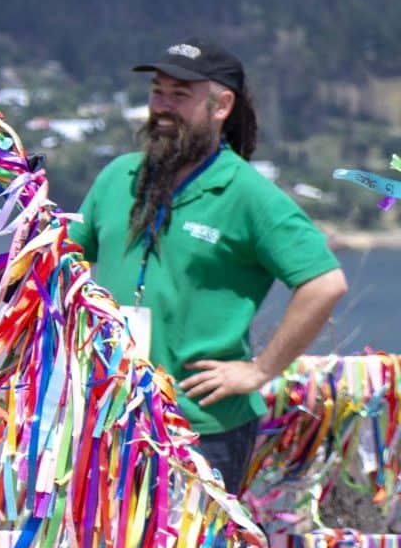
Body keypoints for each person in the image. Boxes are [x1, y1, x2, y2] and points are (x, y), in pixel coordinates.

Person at [69, 38, 347, 495]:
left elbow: (324, 283)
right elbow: (66, 263)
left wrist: (259, 371)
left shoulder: (246, 195)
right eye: (158, 92)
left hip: (202, 428)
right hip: (105, 416)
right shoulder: (118, 176)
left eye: (180, 95)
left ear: (222, 106)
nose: (163, 106)